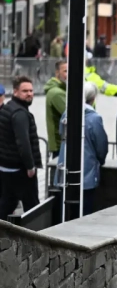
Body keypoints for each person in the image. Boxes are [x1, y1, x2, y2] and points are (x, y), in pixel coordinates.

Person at [56, 82, 109, 216]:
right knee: (84, 210)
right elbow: (101, 146)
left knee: (67, 211)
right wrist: (100, 160)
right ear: (93, 98)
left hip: (65, 175)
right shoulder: (94, 118)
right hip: (87, 175)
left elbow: (62, 135)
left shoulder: (66, 114)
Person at [0, 76, 42, 220]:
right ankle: (34, 238)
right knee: (33, 209)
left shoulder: (7, 108)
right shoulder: (20, 114)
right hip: (20, 170)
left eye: (31, 90)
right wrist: (30, 166)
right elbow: (23, 143)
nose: (30, 94)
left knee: (6, 204)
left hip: (6, 168)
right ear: (16, 92)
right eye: (25, 91)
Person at [45, 60, 68, 158]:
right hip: (60, 144)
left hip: (62, 143)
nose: (69, 74)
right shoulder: (57, 93)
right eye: (65, 71)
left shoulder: (62, 89)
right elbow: (74, 115)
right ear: (57, 73)